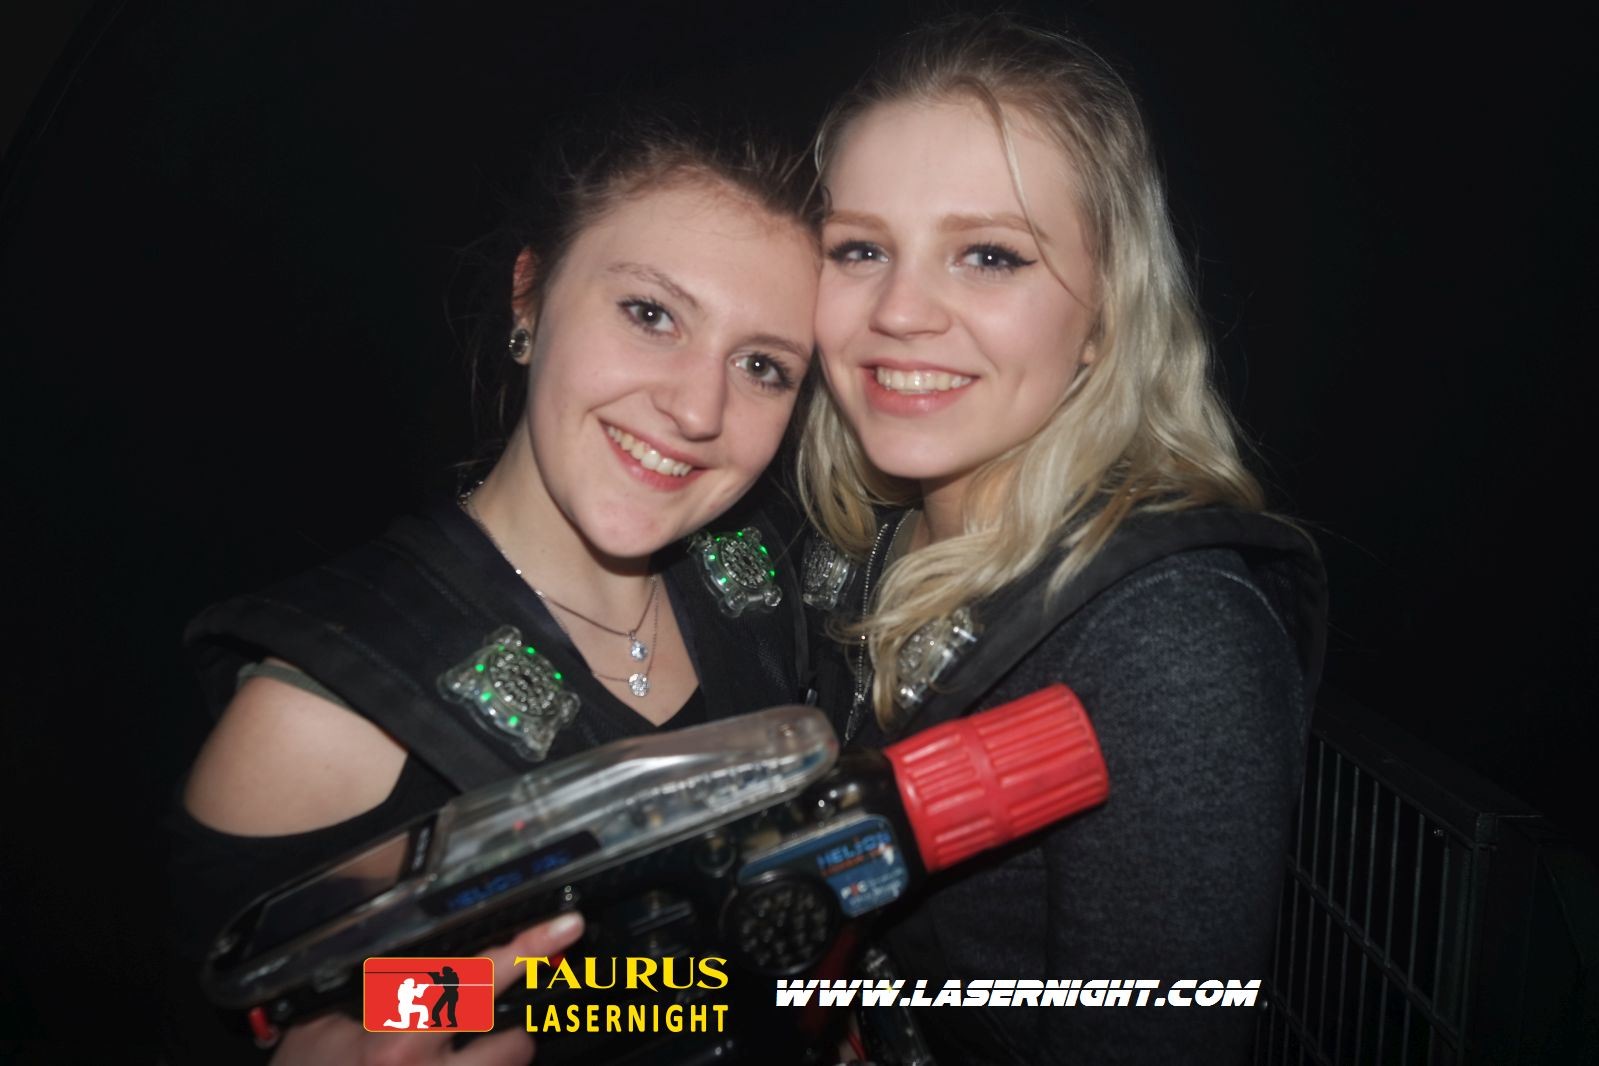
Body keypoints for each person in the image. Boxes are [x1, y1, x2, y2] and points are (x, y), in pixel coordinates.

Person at [168, 111, 820, 1065]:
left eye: (762, 366)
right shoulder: (334, 714)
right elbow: (278, 1018)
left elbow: (695, 989)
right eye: (650, 314)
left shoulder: (759, 586)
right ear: (529, 296)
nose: (696, 408)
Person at [797, 15, 1326, 1065]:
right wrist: (425, 1006)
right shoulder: (862, 540)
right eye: (860, 249)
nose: (900, 310)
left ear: (1105, 316)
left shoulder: (1169, 639)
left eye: (989, 255)